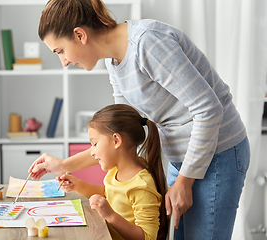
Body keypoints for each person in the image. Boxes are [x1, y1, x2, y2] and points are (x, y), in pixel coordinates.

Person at [30, 0, 250, 239]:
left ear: (80, 35)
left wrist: (184, 183)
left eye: (60, 51)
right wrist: (64, 165)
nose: (64, 62)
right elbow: (119, 135)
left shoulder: (148, 43)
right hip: (183, 159)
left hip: (218, 154)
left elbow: (208, 108)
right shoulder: (114, 63)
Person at [57, 104, 168, 240]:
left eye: (95, 144)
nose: (92, 152)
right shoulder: (115, 170)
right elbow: (108, 194)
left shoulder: (141, 186)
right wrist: (77, 185)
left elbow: (147, 237)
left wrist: (110, 216)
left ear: (116, 140)